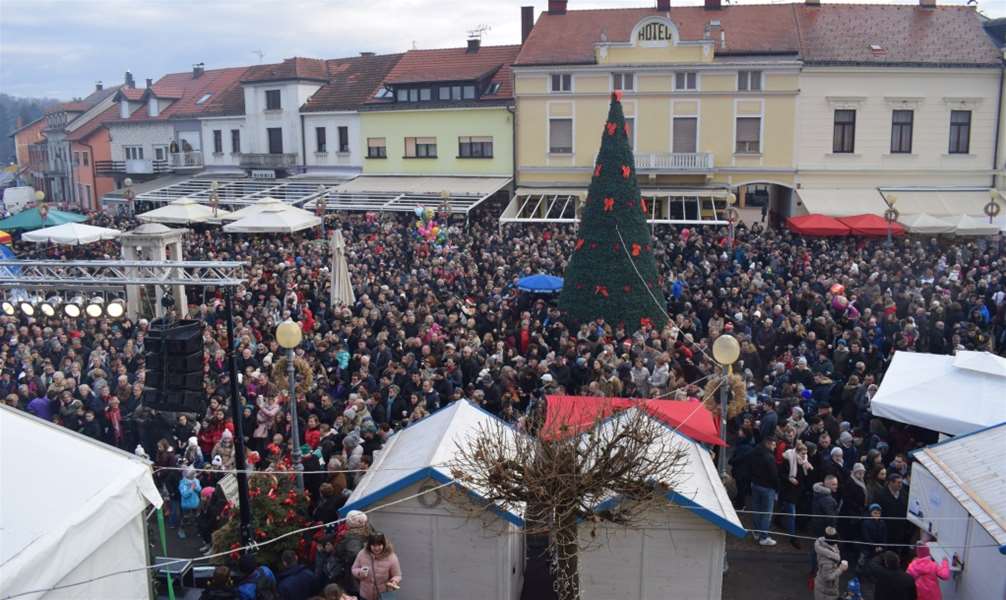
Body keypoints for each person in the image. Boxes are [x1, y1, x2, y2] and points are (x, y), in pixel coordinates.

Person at [748, 435, 780, 546]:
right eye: (774, 444)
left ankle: (756, 532)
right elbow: (774, 475)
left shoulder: (754, 452)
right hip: (767, 488)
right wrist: (777, 489)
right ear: (768, 443)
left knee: (756, 509)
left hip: (755, 484)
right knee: (766, 513)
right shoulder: (769, 457)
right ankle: (764, 537)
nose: (775, 447)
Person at [351, 532, 402, 600]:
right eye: (374, 545)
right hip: (365, 594)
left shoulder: (391, 557)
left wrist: (394, 581)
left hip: (383, 595)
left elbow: (397, 575)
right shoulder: (362, 554)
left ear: (383, 544)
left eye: (379, 545)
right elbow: (354, 569)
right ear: (369, 545)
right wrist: (360, 572)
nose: (377, 548)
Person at [814, 527, 848, 600]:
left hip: (823, 587)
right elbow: (827, 577)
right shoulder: (827, 561)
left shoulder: (824, 544)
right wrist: (840, 569)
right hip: (826, 592)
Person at [177, 466, 202, 539]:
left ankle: (196, 531)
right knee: (185, 518)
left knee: (196, 517)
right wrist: (191, 488)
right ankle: (181, 530)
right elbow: (184, 494)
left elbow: (200, 489)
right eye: (192, 474)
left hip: (195, 503)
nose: (194, 475)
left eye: (194, 474)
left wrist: (195, 486)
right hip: (186, 504)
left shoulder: (196, 480)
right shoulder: (183, 483)